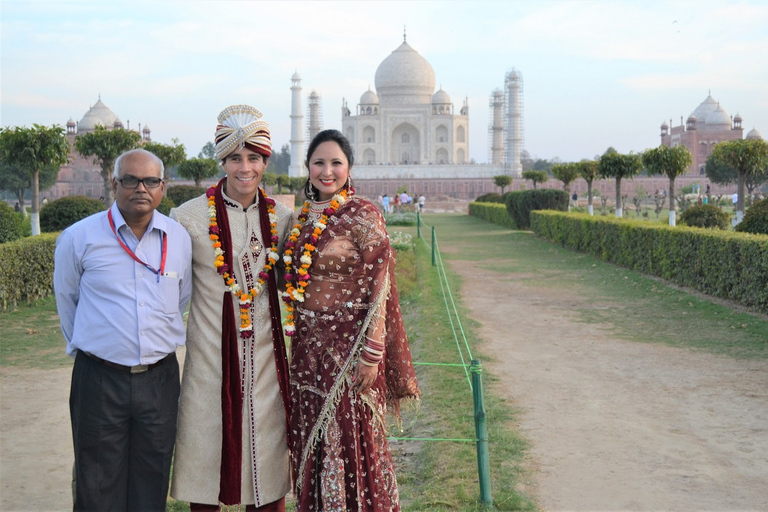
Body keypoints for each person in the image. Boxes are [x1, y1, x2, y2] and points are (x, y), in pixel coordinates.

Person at [284, 129, 420, 511]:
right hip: (309, 351)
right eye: (319, 162)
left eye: (336, 163)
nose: (327, 171)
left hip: (351, 350)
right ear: (307, 166)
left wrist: (372, 352)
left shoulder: (363, 214)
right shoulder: (302, 220)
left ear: (349, 168)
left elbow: (381, 285)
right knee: (313, 434)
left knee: (350, 434)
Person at [169, 105, 294, 511]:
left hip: (267, 363)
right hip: (209, 360)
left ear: (265, 161)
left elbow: (293, 285)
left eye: (254, 158)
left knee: (270, 466)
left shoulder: (283, 219)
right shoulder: (187, 218)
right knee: (205, 461)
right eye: (236, 158)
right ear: (222, 160)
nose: (245, 167)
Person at [54, 148, 192, 511]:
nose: (140, 188)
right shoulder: (79, 237)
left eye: (150, 181)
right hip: (99, 379)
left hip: (159, 381)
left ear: (163, 187)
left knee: (152, 479)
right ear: (115, 184)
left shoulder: (178, 239)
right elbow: (68, 302)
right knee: (97, 483)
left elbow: (181, 299)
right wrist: (98, 349)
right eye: (130, 180)